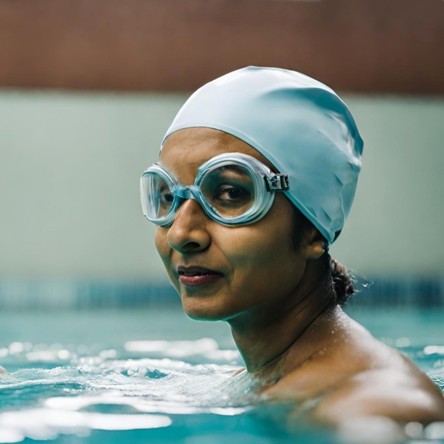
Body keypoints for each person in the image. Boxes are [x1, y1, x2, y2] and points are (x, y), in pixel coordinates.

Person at [140, 66, 444, 435]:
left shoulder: (375, 406)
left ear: (313, 230)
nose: (181, 233)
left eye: (232, 193)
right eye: (169, 196)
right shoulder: (261, 381)